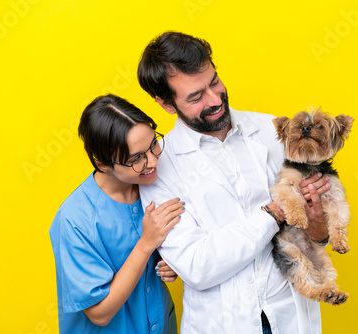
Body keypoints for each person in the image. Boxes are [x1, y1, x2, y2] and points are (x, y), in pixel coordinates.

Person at [137, 31, 332, 334]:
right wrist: (274, 212)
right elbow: (198, 266)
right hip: (223, 323)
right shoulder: (160, 168)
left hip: (291, 317)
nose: (215, 99)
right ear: (166, 104)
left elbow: (316, 233)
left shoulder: (272, 131)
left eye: (214, 82)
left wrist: (318, 222)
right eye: (196, 96)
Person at [49, 94, 183, 334]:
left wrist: (175, 263)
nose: (153, 161)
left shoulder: (157, 185)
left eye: (153, 144)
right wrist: (146, 244)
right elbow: (99, 313)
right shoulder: (75, 219)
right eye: (136, 159)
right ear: (102, 164)